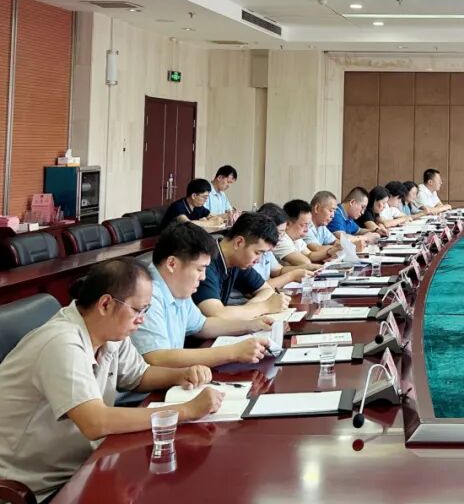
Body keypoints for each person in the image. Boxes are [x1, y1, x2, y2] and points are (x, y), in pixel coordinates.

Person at [0, 259, 223, 499]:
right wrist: (187, 411)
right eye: (138, 310)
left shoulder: (110, 334)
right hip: (38, 486)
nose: (142, 319)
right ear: (105, 304)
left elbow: (139, 376)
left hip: (86, 464)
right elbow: (95, 422)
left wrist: (181, 374)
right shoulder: (61, 343)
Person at [131, 222, 278, 367]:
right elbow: (157, 358)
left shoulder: (177, 287)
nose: (203, 277)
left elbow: (202, 326)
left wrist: (250, 325)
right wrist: (233, 352)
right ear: (172, 264)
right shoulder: (147, 294)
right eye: (199, 269)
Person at [192, 213, 288, 319]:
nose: (258, 260)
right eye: (257, 253)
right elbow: (216, 314)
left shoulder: (237, 261)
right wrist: (265, 307)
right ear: (238, 242)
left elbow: (267, 290)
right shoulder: (206, 262)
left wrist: (248, 310)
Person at [303, 191, 345, 261]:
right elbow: (316, 249)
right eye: (331, 211)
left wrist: (340, 245)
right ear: (317, 208)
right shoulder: (304, 225)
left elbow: (336, 241)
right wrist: (338, 248)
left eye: (334, 212)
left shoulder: (322, 227)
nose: (333, 216)